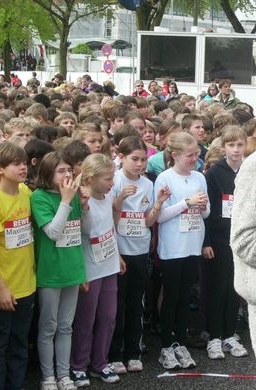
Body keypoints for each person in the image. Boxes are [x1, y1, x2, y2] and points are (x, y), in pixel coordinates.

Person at [108, 137, 170, 374]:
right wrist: (120, 199)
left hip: (140, 250)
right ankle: (115, 353)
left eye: (143, 159)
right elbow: (108, 219)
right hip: (118, 250)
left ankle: (133, 351)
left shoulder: (147, 184)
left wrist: (159, 203)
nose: (140, 164)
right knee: (118, 304)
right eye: (134, 159)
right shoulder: (114, 180)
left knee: (137, 303)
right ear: (121, 157)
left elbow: (147, 221)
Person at [31, 151, 89, 390]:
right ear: (48, 173)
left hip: (72, 269)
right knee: (48, 326)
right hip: (50, 271)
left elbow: (85, 230)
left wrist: (84, 206)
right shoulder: (39, 197)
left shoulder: (73, 195)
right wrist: (66, 201)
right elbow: (53, 232)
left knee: (66, 326)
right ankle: (48, 377)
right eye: (61, 170)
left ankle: (64, 375)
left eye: (69, 169)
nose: (68, 174)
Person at [154, 132, 210, 370]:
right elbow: (161, 215)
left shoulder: (199, 177)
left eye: (197, 154)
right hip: (172, 246)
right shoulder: (164, 178)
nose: (195, 159)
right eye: (190, 155)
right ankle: (167, 344)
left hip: (193, 243)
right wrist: (186, 203)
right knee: (172, 298)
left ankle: (181, 342)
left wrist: (202, 207)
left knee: (185, 297)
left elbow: (206, 214)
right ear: (175, 155)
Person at [70, 154, 125, 386]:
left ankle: (100, 362)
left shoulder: (109, 194)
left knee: (108, 317)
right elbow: (85, 230)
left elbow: (110, 227)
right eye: (107, 178)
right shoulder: (80, 198)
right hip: (89, 267)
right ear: (90, 179)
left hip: (109, 264)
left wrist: (119, 255)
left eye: (112, 177)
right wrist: (84, 207)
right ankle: (78, 365)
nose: (112, 183)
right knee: (85, 319)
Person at [0, 142, 35, 390]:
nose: (23, 168)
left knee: (19, 346)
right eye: (16, 164)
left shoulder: (26, 193)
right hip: (1, 292)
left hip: (26, 285)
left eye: (25, 163)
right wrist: (0, 288)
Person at [202, 126, 249, 360]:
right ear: (223, 148)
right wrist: (206, 240)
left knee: (235, 288)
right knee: (217, 288)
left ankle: (230, 334)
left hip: (242, 238)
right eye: (231, 145)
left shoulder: (249, 170)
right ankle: (214, 336)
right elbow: (208, 212)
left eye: (240, 145)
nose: (236, 150)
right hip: (220, 240)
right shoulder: (214, 173)